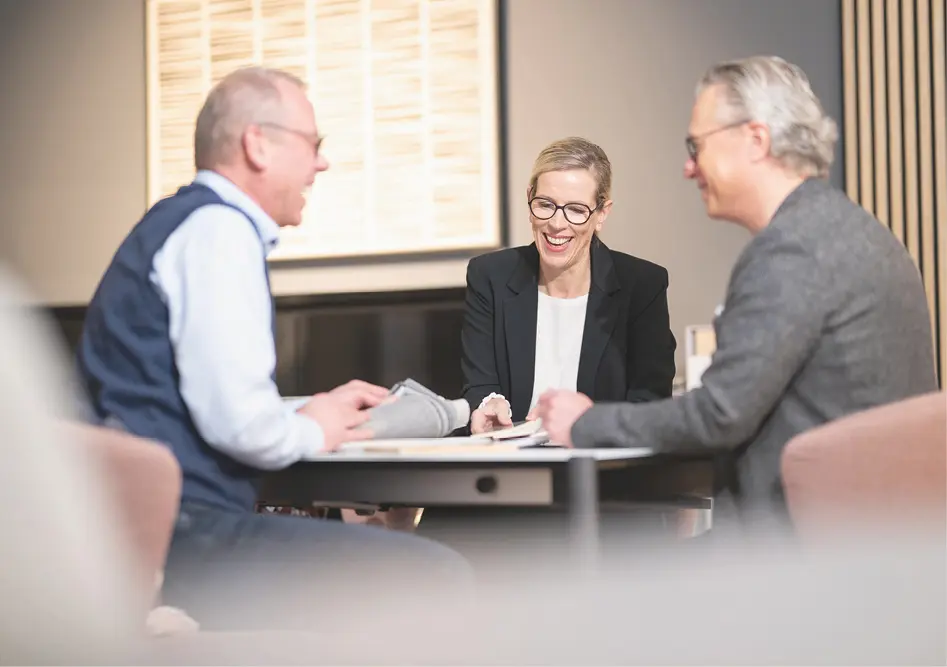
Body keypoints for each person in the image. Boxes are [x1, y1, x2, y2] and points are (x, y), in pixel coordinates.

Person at [75, 66, 470, 631]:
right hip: (186, 540)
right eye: (313, 143)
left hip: (142, 531)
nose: (322, 163)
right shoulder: (220, 232)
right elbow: (242, 429)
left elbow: (198, 403)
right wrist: (314, 428)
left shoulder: (179, 223)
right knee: (438, 575)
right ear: (257, 144)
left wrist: (310, 410)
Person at [536, 56, 938, 534]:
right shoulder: (855, 232)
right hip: (875, 542)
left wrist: (585, 423)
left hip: (797, 554)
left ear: (755, 140)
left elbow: (719, 415)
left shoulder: (791, 250)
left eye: (697, 145)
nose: (688, 168)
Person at [461, 137, 676, 434]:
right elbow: (480, 382)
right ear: (529, 199)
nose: (556, 224)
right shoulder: (490, 276)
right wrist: (489, 403)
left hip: (599, 456)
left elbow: (650, 402)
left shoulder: (642, 285)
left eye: (575, 209)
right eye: (545, 204)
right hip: (511, 455)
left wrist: (587, 423)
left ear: (601, 213)